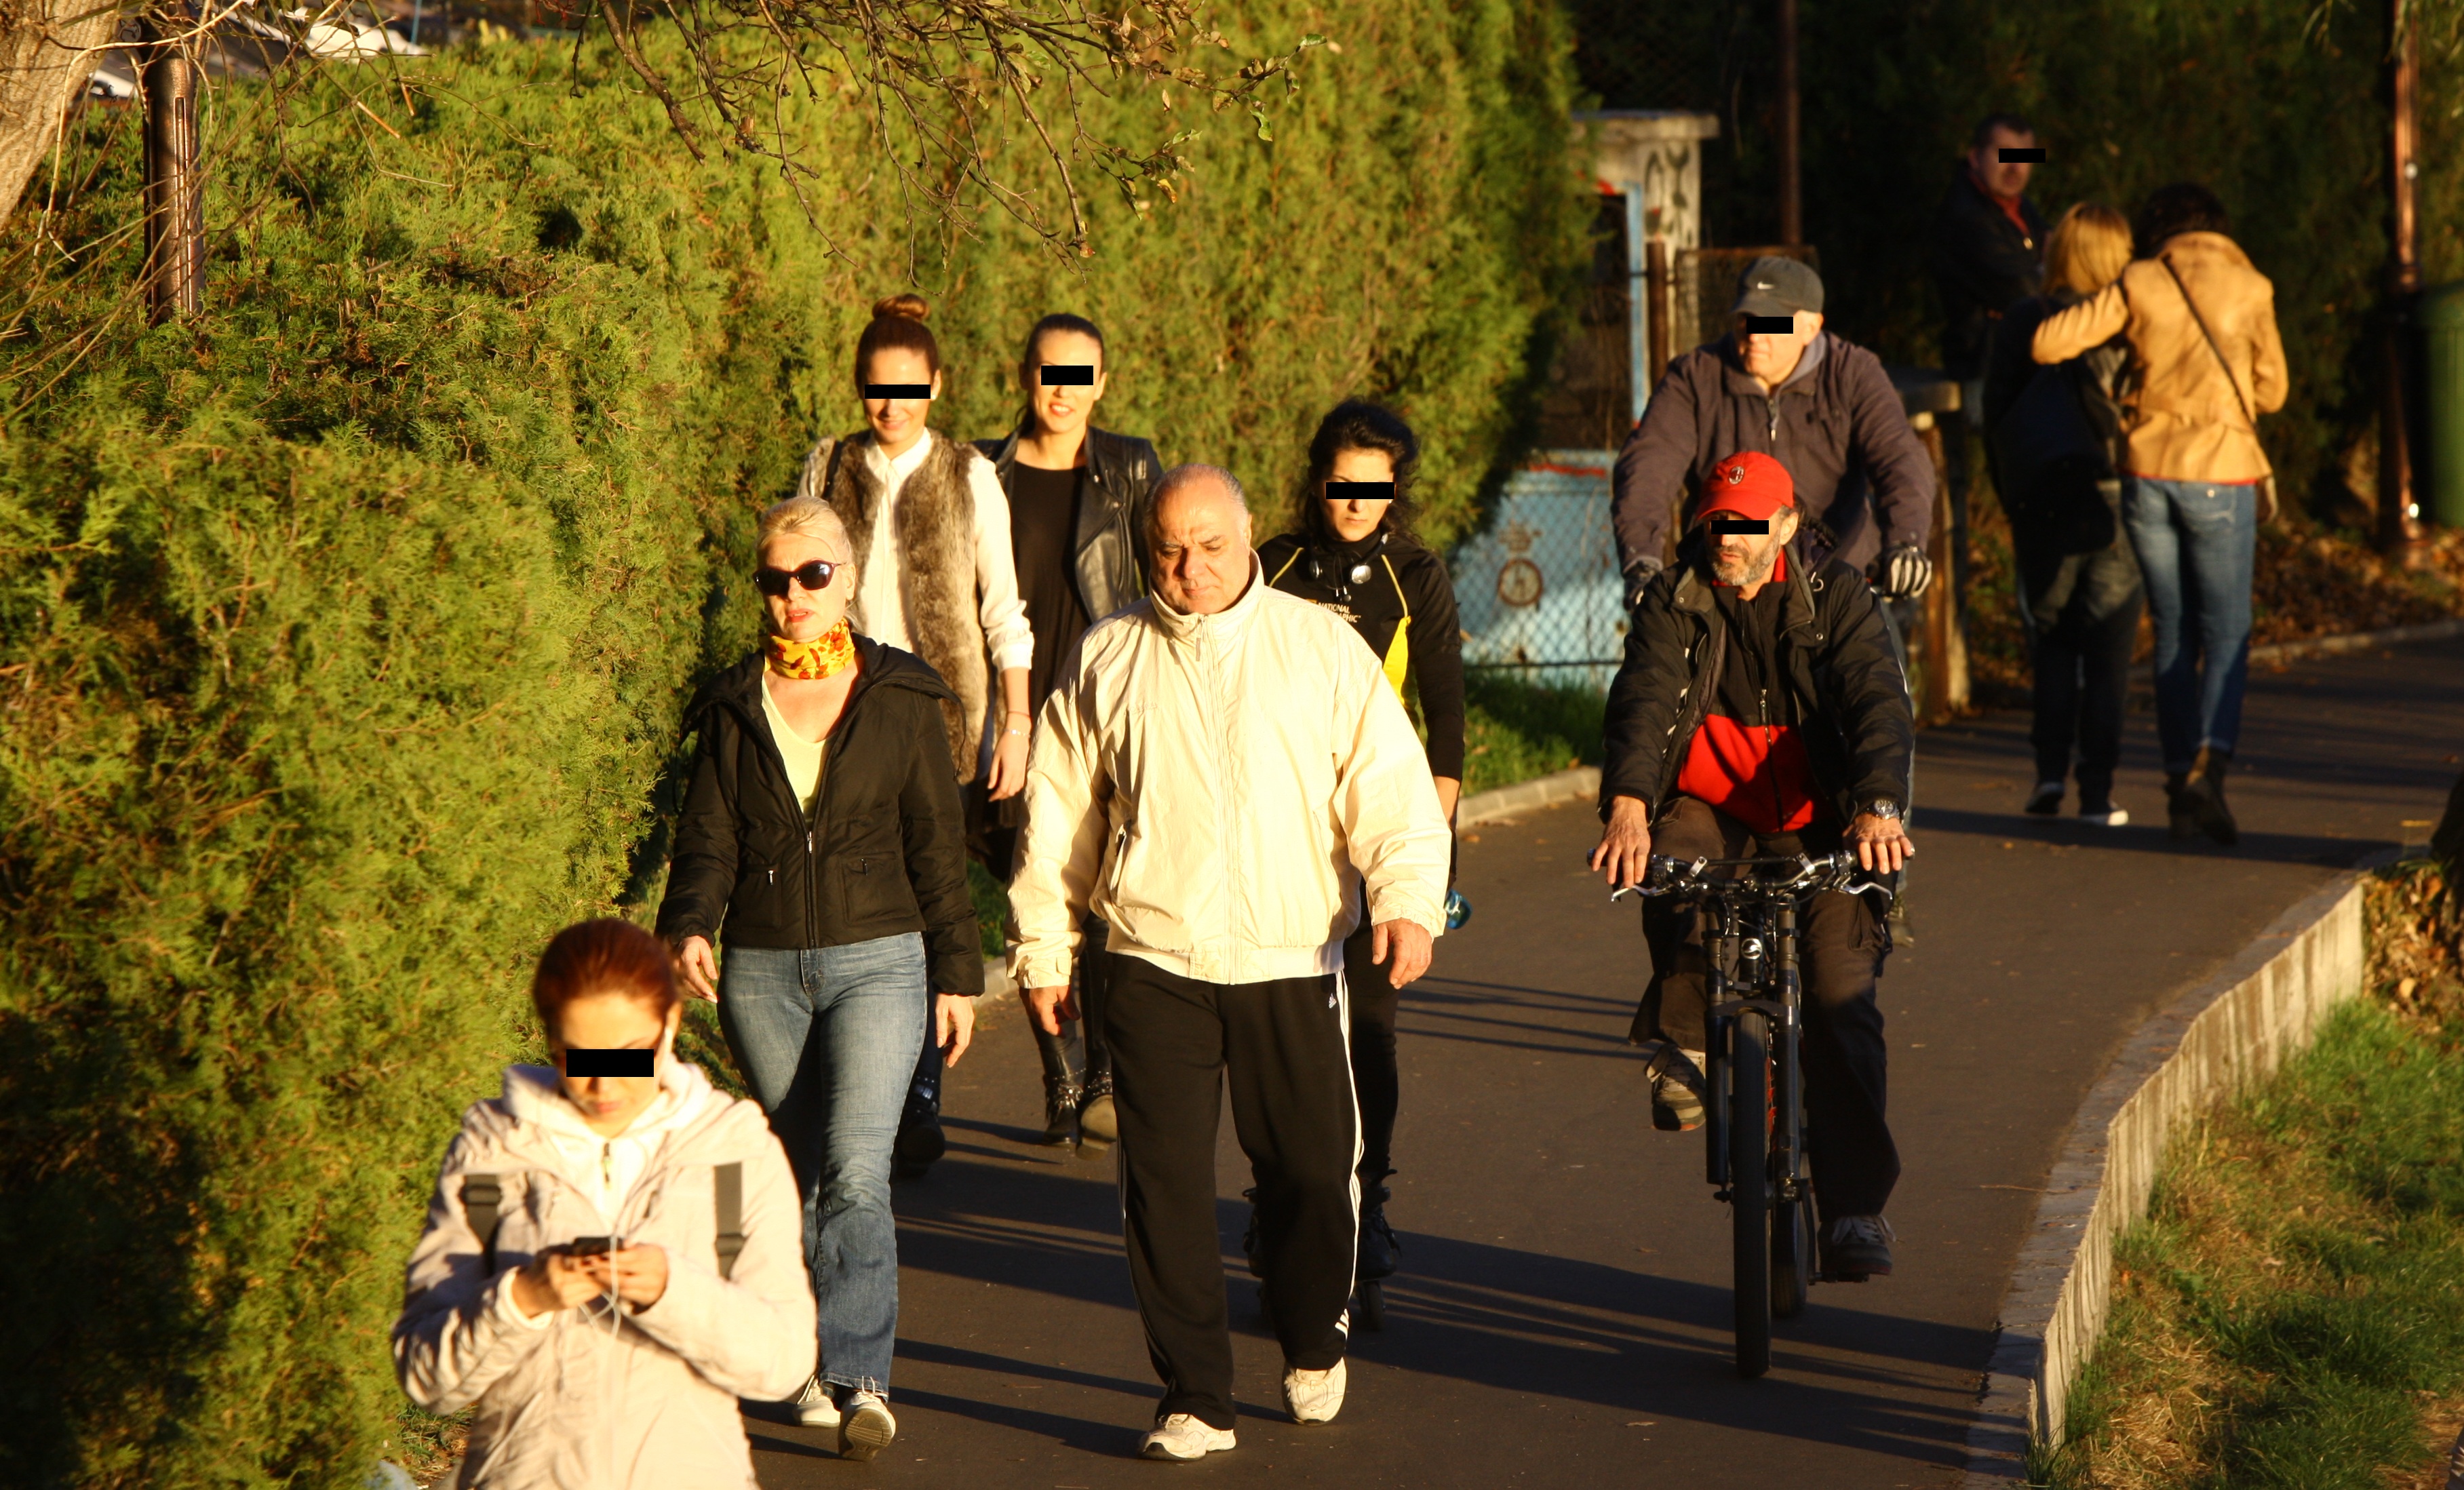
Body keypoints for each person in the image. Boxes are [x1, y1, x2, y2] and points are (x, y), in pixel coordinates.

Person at [1008, 465, 1452, 1460]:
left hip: (1289, 954)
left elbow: (1390, 789)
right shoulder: (1107, 653)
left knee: (1304, 1173)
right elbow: (1057, 817)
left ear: (1248, 539)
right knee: (1160, 1188)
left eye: (1210, 545)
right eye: (1168, 548)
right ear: (1143, 549)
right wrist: (1045, 944)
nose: (1189, 567)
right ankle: (1195, 1398)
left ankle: (1310, 1334)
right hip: (1149, 955)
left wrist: (1407, 901)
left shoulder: (1319, 647)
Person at [654, 494, 983, 1455]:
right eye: (775, 579)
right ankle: (793, 1363)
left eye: (813, 576)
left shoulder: (903, 696)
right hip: (760, 969)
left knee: (855, 1168)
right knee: (792, 1172)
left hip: (881, 961)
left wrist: (956, 974)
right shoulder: (732, 701)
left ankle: (861, 1377)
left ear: (845, 578)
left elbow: (936, 844)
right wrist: (688, 928)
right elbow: (707, 835)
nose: (793, 596)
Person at [1590, 451, 1915, 1281]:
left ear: (1785, 527)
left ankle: (1853, 1210)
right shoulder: (1675, 597)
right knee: (1669, 866)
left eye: (1743, 525)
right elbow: (1646, 696)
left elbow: (1876, 698)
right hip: (1716, 809)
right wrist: (1628, 801)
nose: (1725, 539)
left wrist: (1878, 803)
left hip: (1825, 822)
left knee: (1842, 1000)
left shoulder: (1839, 598)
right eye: (1714, 523)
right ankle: (1690, 1047)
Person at [394, 919, 817, 1487]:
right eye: (579, 1056)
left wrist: (672, 1289)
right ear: (549, 1040)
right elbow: (427, 1379)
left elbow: (783, 1362)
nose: (605, 1084)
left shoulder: (733, 1152)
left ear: (669, 1024)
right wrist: (523, 1298)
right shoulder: (492, 1150)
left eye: (630, 1053)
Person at [794, 293, 1034, 1175]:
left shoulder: (970, 475)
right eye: (874, 390)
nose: (890, 407)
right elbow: (795, 583)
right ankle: (873, 1080)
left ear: (935, 383)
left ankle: (920, 1085)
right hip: (841, 717)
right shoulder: (827, 466)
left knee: (930, 895)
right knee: (861, 901)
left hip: (939, 723)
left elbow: (1004, 611)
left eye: (907, 389)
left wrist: (1016, 720)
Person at [1256, 399, 1464, 1299]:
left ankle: (1369, 1196)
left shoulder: (1414, 573)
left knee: (1371, 1026)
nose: (1353, 502)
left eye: (1372, 489)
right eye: (1341, 485)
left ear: (1393, 492)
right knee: (1274, 1029)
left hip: (1377, 828)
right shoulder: (1270, 565)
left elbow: (1446, 724)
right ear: (1318, 479)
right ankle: (1276, 1199)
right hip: (1278, 832)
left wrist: (1431, 855)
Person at [2033, 182, 2286, 846]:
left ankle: (2179, 785)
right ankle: (2211, 759)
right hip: (2221, 471)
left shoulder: (2143, 278)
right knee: (2227, 626)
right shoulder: (2251, 285)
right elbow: (2275, 390)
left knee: (2173, 627)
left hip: (2147, 471)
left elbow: (2049, 343)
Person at [973, 312, 1162, 1152]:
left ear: (1103, 384)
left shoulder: (1131, 468)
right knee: (1030, 885)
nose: (1063, 390)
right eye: (1050, 372)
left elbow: (1161, 579)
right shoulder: (984, 471)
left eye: (1080, 375)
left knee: (1107, 895)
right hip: (1009, 713)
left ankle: (1111, 1072)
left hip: (1101, 706)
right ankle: (1061, 1072)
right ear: (1024, 376)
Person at [1611, 256, 1938, 612]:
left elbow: (1900, 458)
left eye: (1772, 323)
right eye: (1745, 320)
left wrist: (1906, 543)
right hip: (1725, 587)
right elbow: (1648, 466)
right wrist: (1642, 561)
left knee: (1877, 666)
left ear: (1811, 327)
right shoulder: (1695, 378)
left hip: (1838, 584)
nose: (1755, 335)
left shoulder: (1853, 373)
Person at [1983, 203, 2143, 827]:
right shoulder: (2126, 325)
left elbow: (1994, 416)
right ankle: (2098, 792)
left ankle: (2048, 773)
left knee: (2050, 639)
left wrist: (2010, 496)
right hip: (2111, 495)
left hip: (2042, 496)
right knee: (2107, 648)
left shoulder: (2025, 318)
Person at [1932, 113, 2048, 412]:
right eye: (2004, 154)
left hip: (2023, 359)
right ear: (1975, 157)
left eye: (2024, 156)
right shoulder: (1966, 216)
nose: (2015, 167)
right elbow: (2023, 290)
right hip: (1987, 365)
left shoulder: (2022, 208)